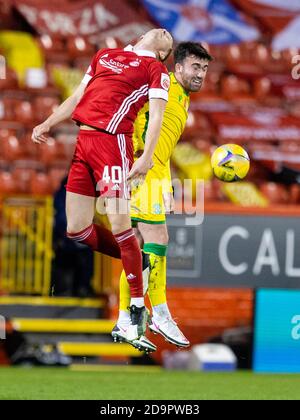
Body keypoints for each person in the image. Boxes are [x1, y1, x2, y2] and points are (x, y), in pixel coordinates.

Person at [31, 29, 173, 340]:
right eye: (161, 31)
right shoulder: (105, 55)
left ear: (163, 54)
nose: (164, 32)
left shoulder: (156, 69)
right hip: (84, 142)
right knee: (76, 228)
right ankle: (140, 258)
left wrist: (147, 157)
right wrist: (48, 122)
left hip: (113, 143)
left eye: (168, 40)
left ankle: (136, 309)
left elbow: (158, 117)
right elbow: (78, 96)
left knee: (120, 223)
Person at [112, 42, 213, 351]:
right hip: (140, 168)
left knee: (142, 245)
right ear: (177, 66)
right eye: (195, 67)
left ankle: (126, 318)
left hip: (154, 172)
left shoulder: (182, 99)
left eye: (205, 69)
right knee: (156, 238)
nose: (200, 74)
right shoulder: (163, 82)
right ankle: (159, 313)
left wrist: (167, 184)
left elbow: (165, 143)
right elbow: (136, 110)